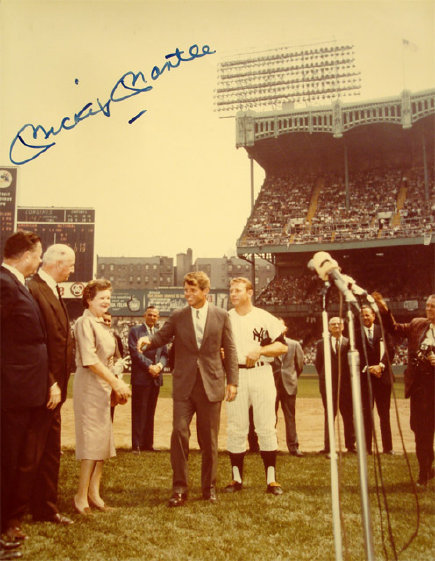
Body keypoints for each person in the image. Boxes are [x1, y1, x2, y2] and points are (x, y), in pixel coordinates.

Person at [137, 271, 238, 507]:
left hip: (211, 385)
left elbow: (230, 350)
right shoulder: (178, 315)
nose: (187, 294)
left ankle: (209, 487)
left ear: (205, 292)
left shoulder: (221, 316)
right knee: (179, 434)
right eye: (186, 290)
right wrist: (148, 341)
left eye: (192, 290)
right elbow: (162, 336)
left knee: (209, 440)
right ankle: (180, 488)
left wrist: (232, 381)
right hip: (184, 386)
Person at [0, 231, 48, 542]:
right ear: (27, 255)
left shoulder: (18, 284)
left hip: (27, 389)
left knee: (22, 458)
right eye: (38, 254)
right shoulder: (4, 284)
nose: (40, 260)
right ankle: (5, 522)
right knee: (8, 459)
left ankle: (11, 518)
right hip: (12, 391)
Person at [224, 277, 288, 496]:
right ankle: (236, 479)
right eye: (231, 290)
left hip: (262, 372)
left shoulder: (263, 317)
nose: (233, 294)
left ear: (249, 293)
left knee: (266, 425)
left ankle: (271, 480)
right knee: (236, 426)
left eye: (238, 290)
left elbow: (282, 347)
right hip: (236, 374)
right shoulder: (226, 318)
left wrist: (260, 351)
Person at [27, 244, 76, 526]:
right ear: (58, 263)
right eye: (70, 264)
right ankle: (21, 508)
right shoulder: (32, 289)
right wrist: (50, 383)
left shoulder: (51, 289)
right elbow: (36, 343)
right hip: (43, 387)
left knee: (48, 450)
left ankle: (45, 507)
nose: (72, 270)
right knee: (32, 451)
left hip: (54, 387)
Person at [73, 279, 131, 515]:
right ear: (89, 299)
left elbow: (108, 358)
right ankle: (80, 496)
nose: (106, 302)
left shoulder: (101, 323)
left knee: (102, 442)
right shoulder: (84, 322)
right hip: (89, 386)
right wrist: (115, 382)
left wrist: (116, 380)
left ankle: (94, 494)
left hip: (103, 387)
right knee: (91, 443)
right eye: (101, 298)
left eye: (108, 298)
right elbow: (90, 360)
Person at [374, 292, 435, 488]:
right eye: (428, 305)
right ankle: (424, 473)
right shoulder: (418, 324)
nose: (429, 309)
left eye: (433, 307)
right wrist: (384, 310)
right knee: (421, 432)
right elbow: (394, 328)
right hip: (420, 389)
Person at [128, 305, 169, 452]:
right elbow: (134, 352)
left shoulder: (159, 333)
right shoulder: (135, 331)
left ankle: (148, 444)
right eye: (150, 314)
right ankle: (136, 444)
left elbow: (165, 354)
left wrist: (159, 366)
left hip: (155, 377)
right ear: (144, 315)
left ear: (158, 317)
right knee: (139, 411)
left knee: (150, 411)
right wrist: (150, 366)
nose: (152, 317)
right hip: (141, 377)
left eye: (155, 315)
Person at [355, 305, 394, 454]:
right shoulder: (356, 334)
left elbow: (391, 350)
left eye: (367, 315)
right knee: (366, 414)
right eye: (362, 316)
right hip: (365, 379)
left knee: (384, 415)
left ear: (373, 316)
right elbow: (354, 354)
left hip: (383, 379)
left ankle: (388, 448)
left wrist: (381, 366)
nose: (365, 318)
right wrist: (368, 368)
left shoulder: (383, 330)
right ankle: (366, 448)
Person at [315, 317, 355, 455]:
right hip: (328, 386)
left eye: (338, 324)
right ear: (329, 327)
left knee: (348, 416)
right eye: (333, 324)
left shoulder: (350, 343)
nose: (336, 326)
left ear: (343, 326)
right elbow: (318, 364)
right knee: (329, 416)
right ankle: (328, 446)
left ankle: (351, 445)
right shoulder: (321, 344)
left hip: (345, 387)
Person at [273, 318, 304, 456]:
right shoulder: (268, 345)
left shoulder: (294, 344)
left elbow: (299, 365)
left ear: (285, 328)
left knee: (290, 417)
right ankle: (271, 446)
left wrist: (291, 378)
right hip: (271, 386)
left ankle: (293, 446)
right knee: (270, 418)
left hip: (289, 386)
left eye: (281, 325)